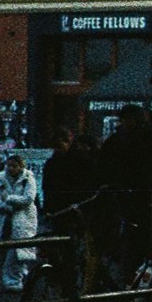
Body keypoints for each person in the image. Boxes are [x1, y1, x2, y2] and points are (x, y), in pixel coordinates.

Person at [97, 102, 152, 279]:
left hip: (136, 196)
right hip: (126, 195)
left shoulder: (138, 140)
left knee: (136, 239)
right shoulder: (144, 139)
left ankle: (132, 273)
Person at [44, 119, 107, 286]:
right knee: (66, 250)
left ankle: (73, 283)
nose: (58, 149)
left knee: (73, 249)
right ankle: (69, 283)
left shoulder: (77, 162)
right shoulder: (60, 163)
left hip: (76, 210)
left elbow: (90, 185)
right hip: (66, 210)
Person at [0, 152, 43, 288]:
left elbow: (28, 198)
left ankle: (14, 281)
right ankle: (18, 276)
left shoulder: (28, 179)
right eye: (8, 165)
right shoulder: (2, 178)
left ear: (20, 166)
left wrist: (9, 199)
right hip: (5, 219)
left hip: (23, 219)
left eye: (14, 166)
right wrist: (4, 206)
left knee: (16, 252)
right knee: (5, 249)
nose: (10, 168)